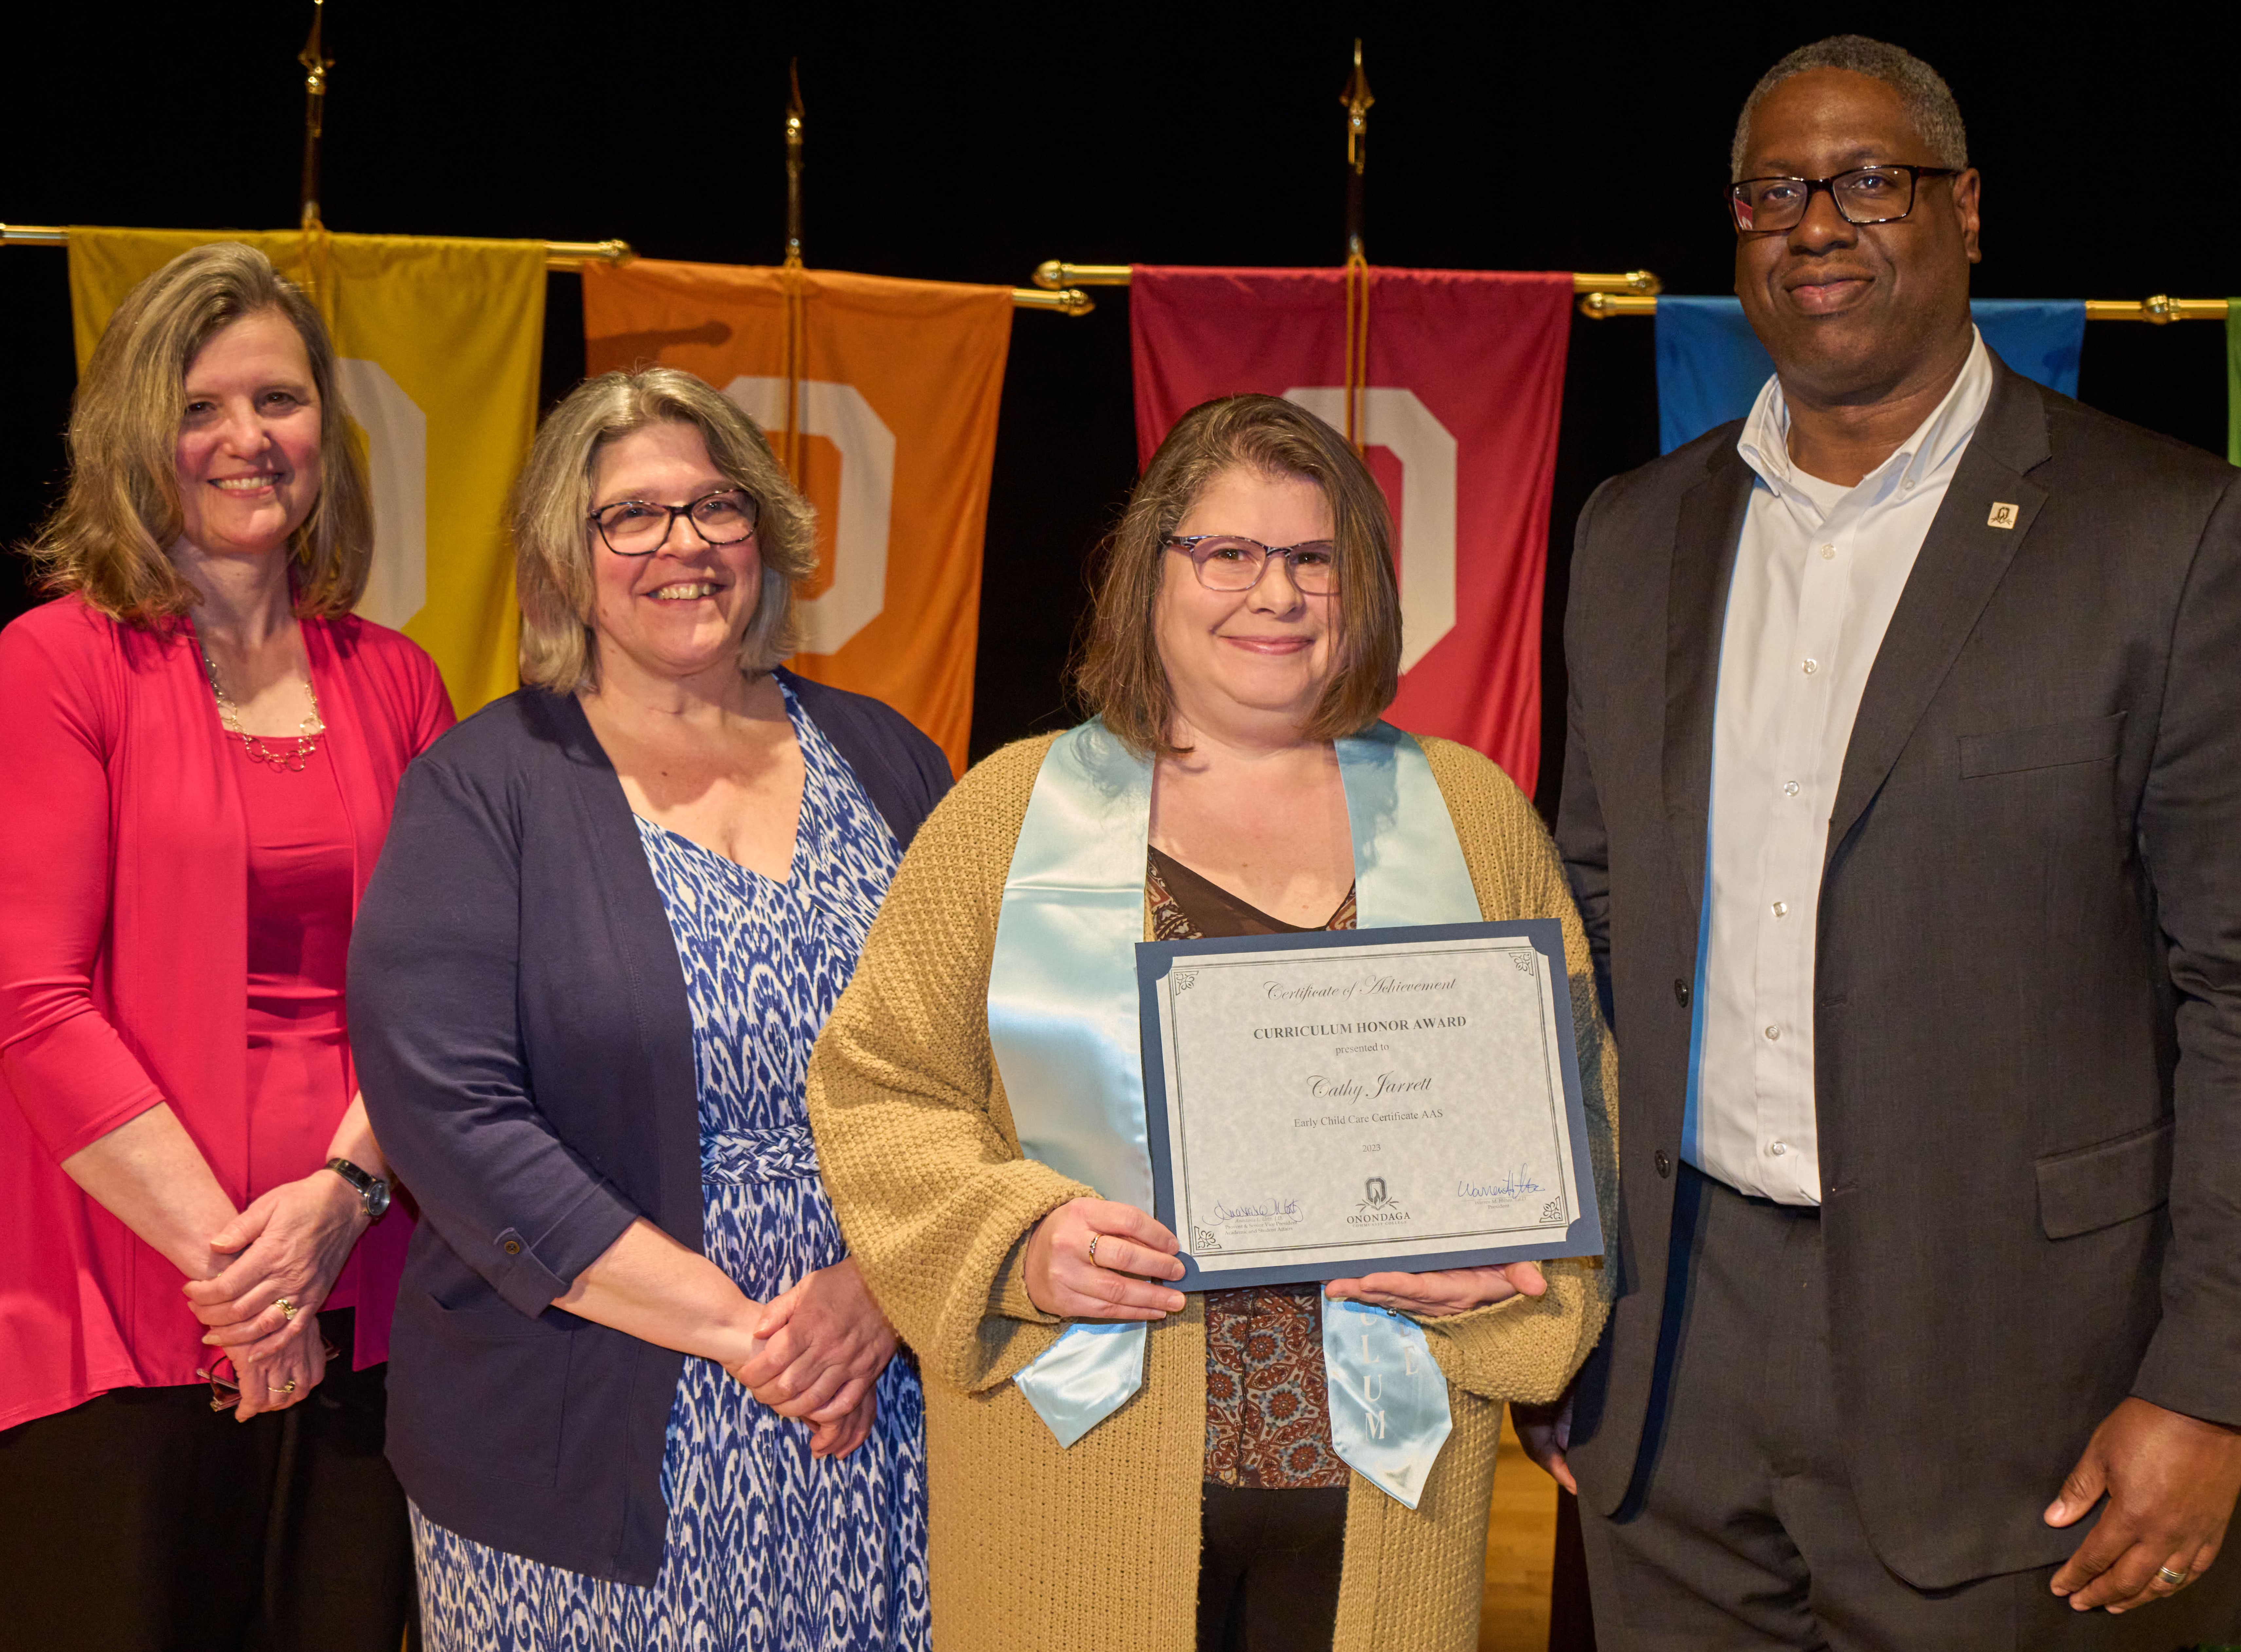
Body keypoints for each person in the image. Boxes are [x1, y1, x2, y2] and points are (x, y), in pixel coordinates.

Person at [1536, 34, 2241, 1650]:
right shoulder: (1632, 531)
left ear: (1967, 211)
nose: (1814, 224)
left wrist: (2204, 1382)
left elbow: (2229, 988)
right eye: (1773, 191)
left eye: (1869, 179)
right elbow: (1584, 923)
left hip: (2018, 1391)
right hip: (1667, 1376)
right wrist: (1553, 1298)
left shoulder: (2166, 535)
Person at [804, 393, 1620, 1652]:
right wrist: (1019, 1243)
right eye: (1228, 554)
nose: (1275, 594)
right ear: (1153, 572)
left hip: (1382, 1475)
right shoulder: (1009, 812)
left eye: (1312, 557)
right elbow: (881, 1088)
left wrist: (1510, 1261)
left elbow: (1576, 1099)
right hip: (1077, 1461)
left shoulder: (1466, 814)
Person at [347, 365, 949, 1650]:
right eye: (632, 516)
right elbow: (447, 1112)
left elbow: (994, 1066)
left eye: (714, 507)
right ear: (568, 556)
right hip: (580, 1436)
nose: (682, 544)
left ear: (765, 535)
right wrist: (745, 1333)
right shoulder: (483, 789)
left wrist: (880, 1295)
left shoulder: (890, 760)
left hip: (871, 1418)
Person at [0, 241, 453, 1650]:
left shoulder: (401, 681)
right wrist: (247, 1286)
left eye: (281, 400)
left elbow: (446, 1000)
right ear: (138, 437)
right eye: (203, 407)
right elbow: (31, 1001)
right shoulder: (56, 663)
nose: (248, 440)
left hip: (368, 1307)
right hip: (115, 1317)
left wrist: (338, 1209)